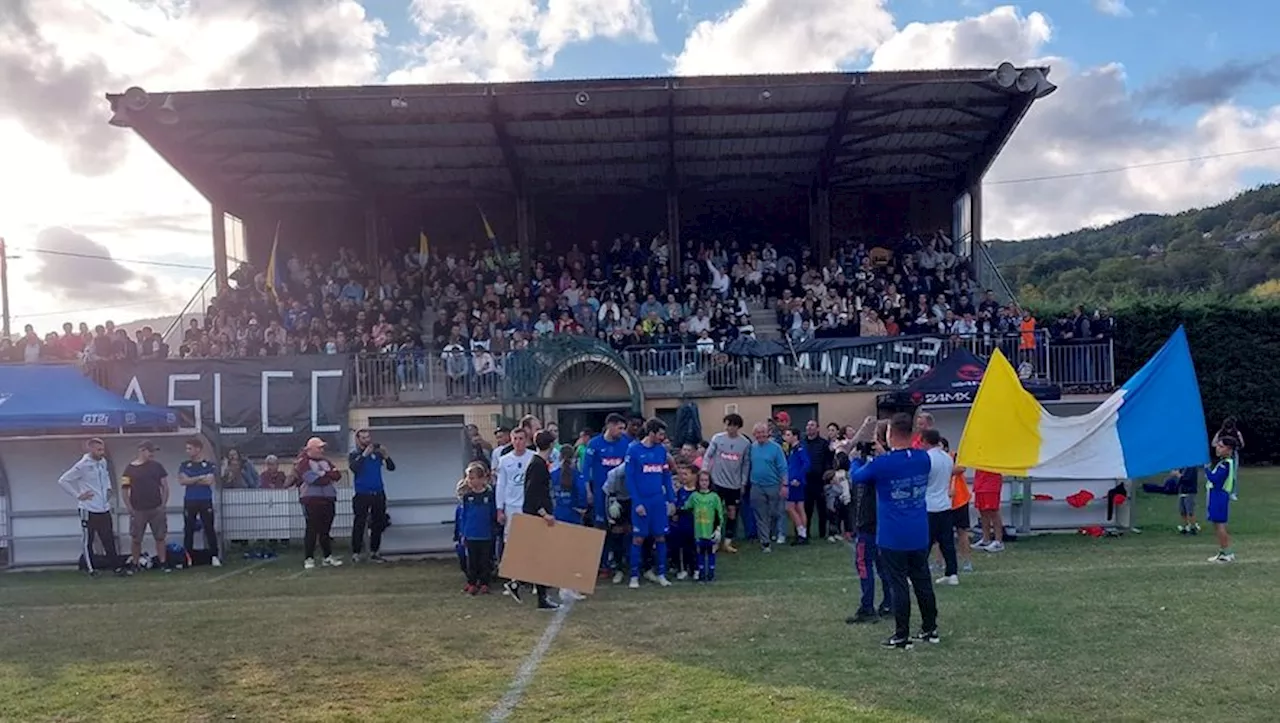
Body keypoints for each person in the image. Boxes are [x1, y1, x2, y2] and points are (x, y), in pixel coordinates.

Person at [853, 413, 939, 649]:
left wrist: (856, 459)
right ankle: (930, 628)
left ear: (890, 434)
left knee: (898, 583)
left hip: (893, 535)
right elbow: (900, 464)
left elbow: (858, 476)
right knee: (922, 581)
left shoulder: (883, 464)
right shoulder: (923, 459)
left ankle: (902, 634)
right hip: (919, 531)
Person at [58, 437, 129, 576]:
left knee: (108, 538)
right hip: (88, 509)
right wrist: (78, 495)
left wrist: (109, 489)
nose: (101, 452)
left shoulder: (103, 462)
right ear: (90, 449)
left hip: (103, 508)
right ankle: (90, 569)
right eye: (98, 450)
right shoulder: (82, 465)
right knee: (88, 539)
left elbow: (106, 477)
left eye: (102, 449)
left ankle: (116, 567)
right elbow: (63, 480)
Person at [509, 429, 560, 610]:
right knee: (540, 558)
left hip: (537, 514)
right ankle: (526, 588)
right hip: (537, 516)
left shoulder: (539, 463)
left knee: (539, 558)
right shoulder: (538, 465)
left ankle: (523, 586)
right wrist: (544, 514)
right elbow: (532, 494)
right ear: (551, 445)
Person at [624, 418, 675, 589]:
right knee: (638, 538)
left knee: (660, 536)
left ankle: (660, 573)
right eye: (660, 434)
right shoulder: (633, 450)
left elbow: (666, 476)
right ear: (651, 433)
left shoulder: (661, 451)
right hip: (642, 501)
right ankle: (634, 576)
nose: (663, 437)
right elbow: (630, 479)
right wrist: (637, 502)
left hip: (657, 501)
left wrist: (671, 500)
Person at [585, 413, 631, 572]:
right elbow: (586, 469)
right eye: (620, 428)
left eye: (624, 429)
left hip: (620, 493)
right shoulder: (594, 444)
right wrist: (588, 491)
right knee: (600, 527)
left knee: (621, 527)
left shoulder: (626, 444)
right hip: (600, 493)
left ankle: (621, 562)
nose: (622, 432)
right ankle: (601, 563)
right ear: (610, 426)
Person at [293, 437, 344, 570]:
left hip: (328, 499)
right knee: (311, 529)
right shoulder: (303, 462)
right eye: (319, 447)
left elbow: (337, 475)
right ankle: (309, 558)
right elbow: (312, 479)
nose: (322, 450)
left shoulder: (326, 461)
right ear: (310, 449)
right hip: (311, 500)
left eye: (322, 447)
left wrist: (322, 474)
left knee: (325, 531)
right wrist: (328, 475)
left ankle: (327, 556)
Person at [703, 413, 751, 553]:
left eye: (731, 425)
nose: (729, 428)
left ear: (737, 426)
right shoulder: (717, 439)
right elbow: (708, 456)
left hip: (734, 484)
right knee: (715, 511)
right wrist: (705, 472)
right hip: (717, 482)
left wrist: (743, 482)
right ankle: (714, 540)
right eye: (727, 424)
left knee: (732, 512)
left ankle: (728, 541)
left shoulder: (745, 443)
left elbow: (746, 464)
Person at [121, 441, 170, 572]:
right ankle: (135, 563)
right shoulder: (129, 469)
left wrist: (163, 504)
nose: (152, 454)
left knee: (160, 537)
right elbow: (125, 489)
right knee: (136, 538)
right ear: (142, 451)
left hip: (156, 508)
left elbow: (165, 486)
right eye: (150, 451)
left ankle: (163, 562)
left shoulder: (157, 466)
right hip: (138, 509)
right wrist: (129, 507)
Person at [349, 428, 397, 563]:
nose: (367, 440)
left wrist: (386, 455)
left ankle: (375, 551)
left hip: (378, 493)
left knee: (378, 523)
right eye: (363, 438)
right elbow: (354, 468)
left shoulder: (377, 454)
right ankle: (356, 552)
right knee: (359, 523)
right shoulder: (354, 454)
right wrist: (364, 455)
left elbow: (392, 467)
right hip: (362, 493)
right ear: (358, 440)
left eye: (368, 437)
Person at [551, 443, 588, 602]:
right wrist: (582, 507)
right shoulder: (576, 474)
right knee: (573, 552)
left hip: (558, 514)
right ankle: (570, 587)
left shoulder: (553, 475)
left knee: (561, 552)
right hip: (573, 515)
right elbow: (581, 492)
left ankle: (562, 586)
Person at [921, 430, 958, 586]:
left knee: (924, 543)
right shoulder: (947, 458)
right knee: (947, 542)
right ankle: (952, 573)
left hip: (929, 505)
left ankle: (918, 573)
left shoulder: (927, 458)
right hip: (945, 504)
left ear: (926, 441)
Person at [178, 438, 221, 567]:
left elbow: (209, 481)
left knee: (209, 528)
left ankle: (214, 556)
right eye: (187, 449)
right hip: (190, 500)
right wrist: (199, 478)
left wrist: (191, 479)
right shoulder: (184, 465)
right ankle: (188, 558)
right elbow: (182, 481)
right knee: (188, 529)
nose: (188, 451)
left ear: (198, 449)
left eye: (190, 448)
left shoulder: (208, 465)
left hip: (205, 500)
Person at [495, 427, 533, 571]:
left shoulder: (533, 457)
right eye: (515, 439)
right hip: (511, 506)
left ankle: (531, 576)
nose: (518, 442)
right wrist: (500, 509)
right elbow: (501, 485)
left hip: (528, 505)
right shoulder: (504, 460)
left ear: (526, 440)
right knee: (511, 542)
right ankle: (513, 576)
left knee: (530, 541)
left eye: (521, 439)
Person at [458, 461, 498, 594]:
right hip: (471, 534)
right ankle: (472, 583)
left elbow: (493, 514)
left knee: (485, 560)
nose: (470, 481)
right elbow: (464, 516)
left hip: (485, 534)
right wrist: (463, 533)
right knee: (472, 561)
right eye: (469, 478)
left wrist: (494, 529)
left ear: (482, 479)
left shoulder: (489, 496)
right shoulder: (467, 497)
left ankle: (485, 583)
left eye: (473, 478)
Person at [747, 422, 787, 553]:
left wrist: (784, 485)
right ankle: (765, 542)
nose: (761, 435)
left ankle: (775, 533)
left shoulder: (776, 448)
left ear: (768, 433)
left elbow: (783, 467)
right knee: (760, 515)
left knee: (774, 513)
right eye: (758, 433)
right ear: (754, 435)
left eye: (763, 432)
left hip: (774, 486)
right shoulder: (752, 448)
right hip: (757, 486)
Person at [683, 468, 726, 582]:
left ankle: (711, 574)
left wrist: (718, 529)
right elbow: (686, 507)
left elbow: (719, 514)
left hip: (710, 531)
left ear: (710, 482)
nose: (704, 483)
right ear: (698, 482)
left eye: (706, 480)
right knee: (700, 553)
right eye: (702, 480)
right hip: (699, 531)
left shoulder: (714, 497)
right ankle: (701, 574)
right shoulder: (694, 496)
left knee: (711, 553)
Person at [1205, 436, 1238, 563]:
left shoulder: (1226, 464)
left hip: (1219, 496)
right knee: (1216, 524)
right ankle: (1223, 551)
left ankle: (1227, 553)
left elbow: (1215, 479)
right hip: (1216, 495)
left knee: (1220, 525)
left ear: (1229, 449)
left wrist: (1206, 469)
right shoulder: (1223, 462)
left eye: (1221, 446)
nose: (1217, 448)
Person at [801, 419, 834, 540]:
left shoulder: (823, 443)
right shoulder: (802, 443)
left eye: (812, 425)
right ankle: (806, 532)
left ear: (818, 428)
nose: (809, 428)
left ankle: (822, 533)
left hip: (820, 480)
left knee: (822, 509)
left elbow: (828, 461)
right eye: (808, 425)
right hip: (806, 480)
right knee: (806, 508)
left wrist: (827, 475)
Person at [945, 441, 974, 573]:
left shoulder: (954, 456)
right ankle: (939, 562)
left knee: (962, 532)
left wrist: (945, 470)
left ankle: (967, 561)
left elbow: (961, 468)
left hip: (960, 500)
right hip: (944, 503)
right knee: (941, 536)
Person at [782, 427, 811, 545]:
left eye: (788, 435)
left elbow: (806, 464)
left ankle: (801, 533)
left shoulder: (799, 449)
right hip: (793, 481)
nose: (786, 437)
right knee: (799, 508)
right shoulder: (792, 449)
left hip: (795, 482)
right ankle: (803, 535)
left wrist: (798, 478)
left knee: (790, 507)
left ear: (795, 436)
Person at [669, 462, 699, 579]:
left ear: (693, 476)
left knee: (694, 548)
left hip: (695, 525)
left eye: (685, 474)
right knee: (683, 548)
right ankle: (683, 569)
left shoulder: (697, 492)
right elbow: (677, 508)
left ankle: (695, 568)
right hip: (682, 525)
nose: (682, 477)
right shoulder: (680, 491)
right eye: (681, 474)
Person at [973, 468, 1005, 553]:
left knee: (993, 511)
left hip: (991, 483)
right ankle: (985, 539)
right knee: (982, 511)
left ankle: (998, 541)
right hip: (980, 482)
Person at [1212, 418, 1243, 501]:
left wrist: (1233, 448)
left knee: (1233, 475)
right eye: (1227, 429)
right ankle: (1221, 490)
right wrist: (1221, 448)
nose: (1229, 431)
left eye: (1230, 429)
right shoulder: (1220, 433)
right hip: (1223, 457)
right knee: (1221, 474)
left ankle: (1233, 493)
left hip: (1233, 456)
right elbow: (1214, 443)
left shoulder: (1237, 433)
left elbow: (1242, 444)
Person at [1170, 466, 1201, 535]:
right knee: (1182, 511)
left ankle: (1193, 527)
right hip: (1182, 491)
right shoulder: (1182, 467)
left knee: (1190, 511)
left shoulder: (1192, 467)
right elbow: (1179, 480)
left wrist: (1178, 475)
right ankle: (1186, 526)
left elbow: (1188, 480)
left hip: (1189, 491)